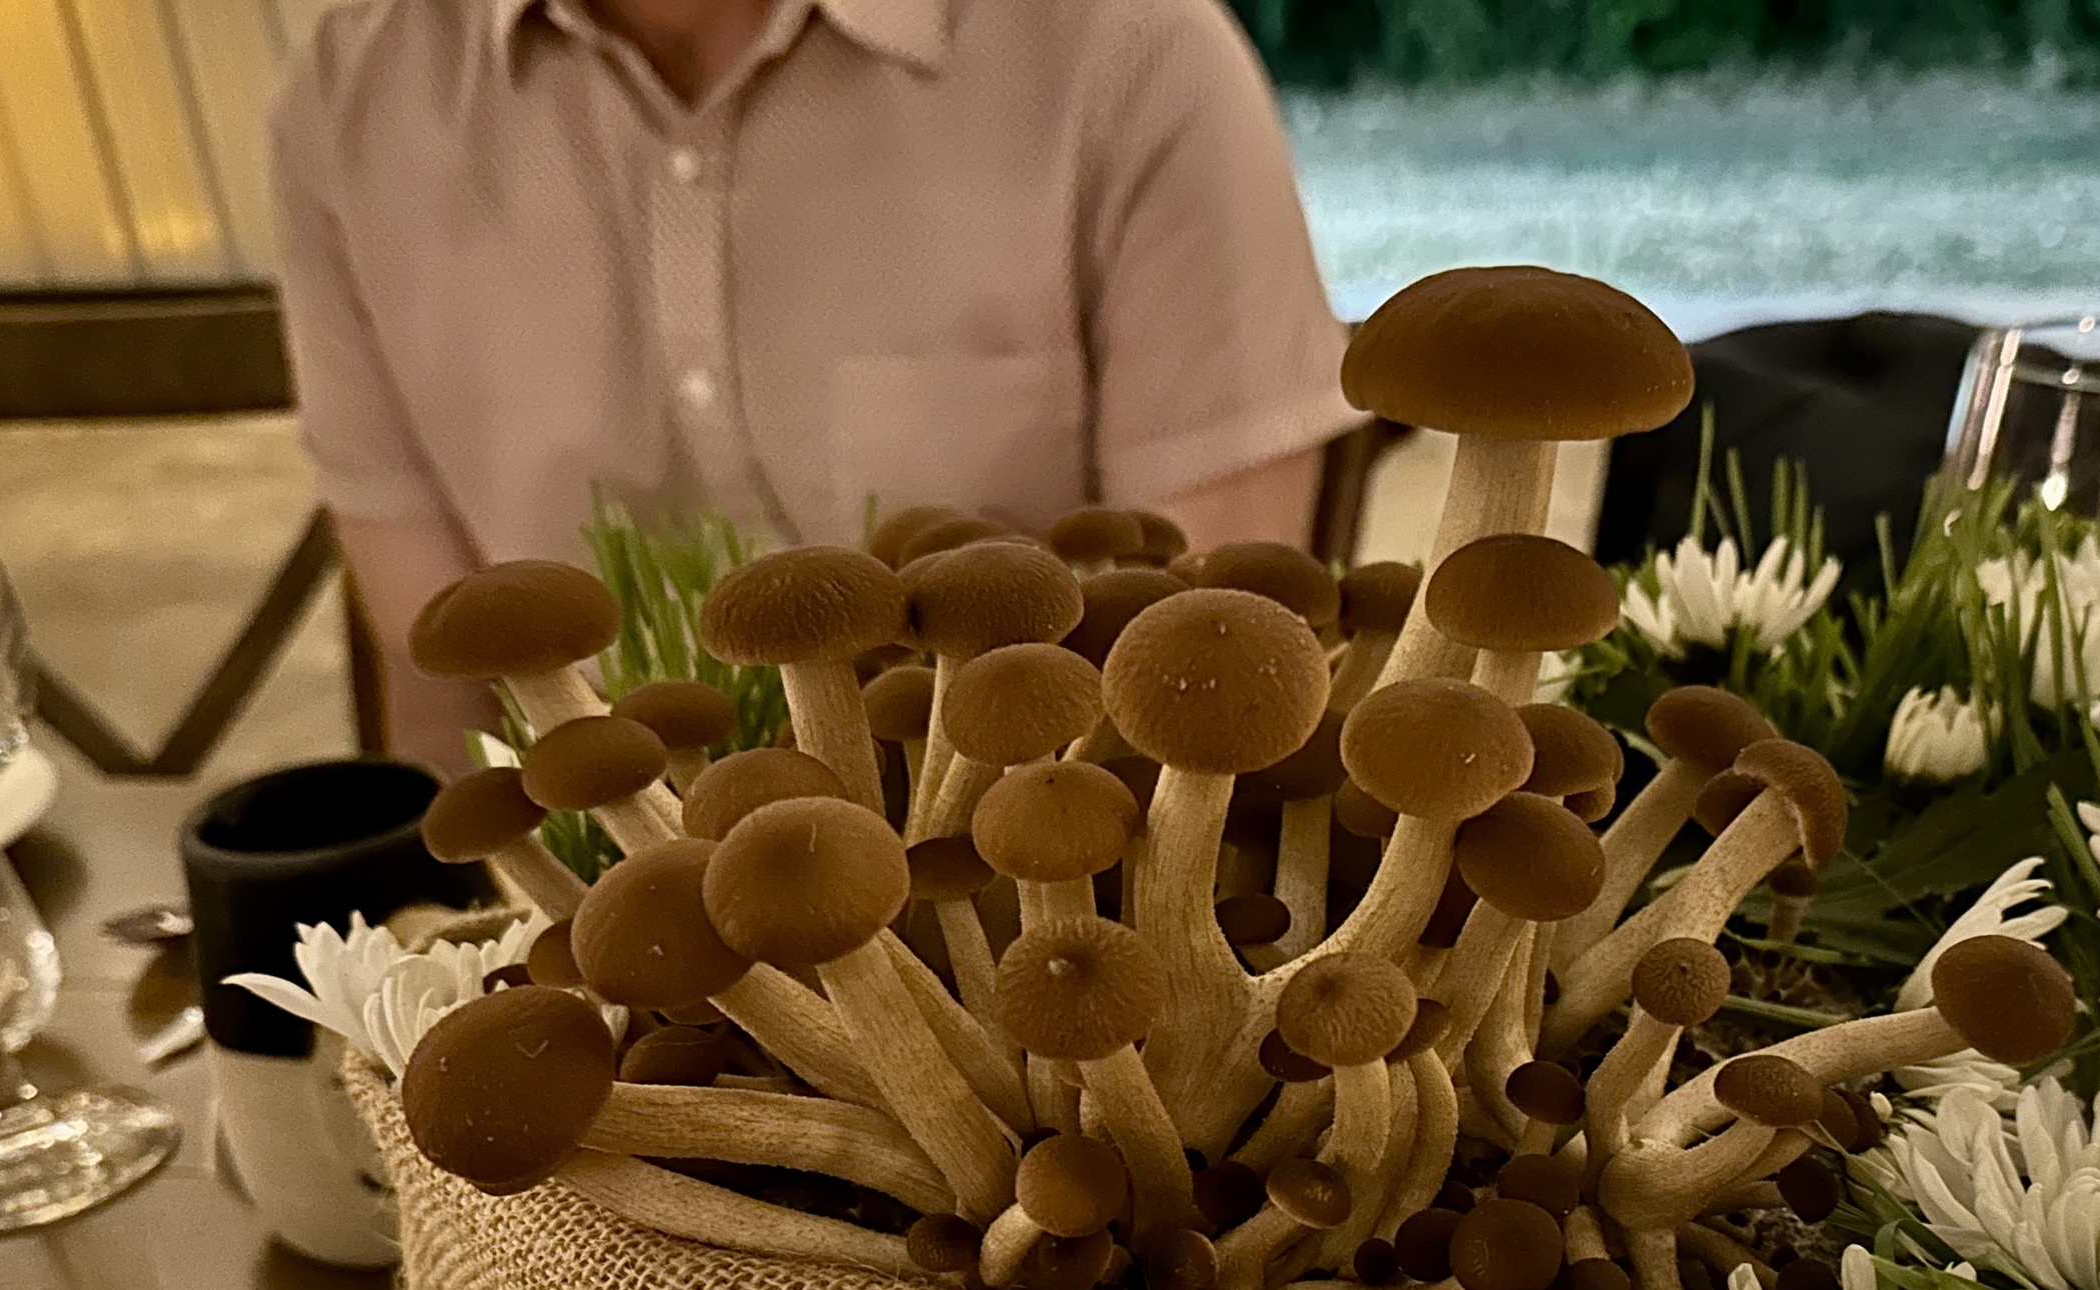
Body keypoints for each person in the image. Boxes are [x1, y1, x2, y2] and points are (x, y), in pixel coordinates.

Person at [272, 0, 1359, 773]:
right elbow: (440, 676)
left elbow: (1215, 663)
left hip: (1039, 934)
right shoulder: (345, 102)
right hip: (598, 945)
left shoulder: (1135, 57)